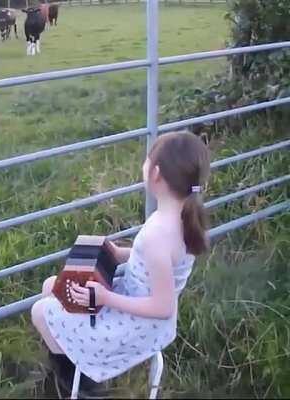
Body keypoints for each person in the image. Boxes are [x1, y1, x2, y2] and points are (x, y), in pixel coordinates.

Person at [31, 131, 211, 394]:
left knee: (40, 310)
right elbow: (156, 262)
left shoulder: (158, 234)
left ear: (156, 173)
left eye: (147, 160)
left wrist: (105, 297)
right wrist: (120, 253)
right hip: (138, 308)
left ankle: (85, 388)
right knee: (52, 287)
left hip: (138, 325)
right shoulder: (180, 218)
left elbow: (163, 307)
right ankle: (71, 372)